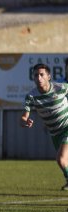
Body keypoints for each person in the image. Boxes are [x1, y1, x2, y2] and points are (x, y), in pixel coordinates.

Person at [21, 63, 68, 191]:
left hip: (66, 128)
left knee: (61, 159)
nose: (39, 78)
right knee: (64, 162)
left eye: (42, 74)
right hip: (54, 133)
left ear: (49, 76)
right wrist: (25, 121)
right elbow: (24, 117)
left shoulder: (61, 88)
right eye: (36, 75)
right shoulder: (31, 96)